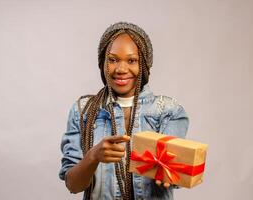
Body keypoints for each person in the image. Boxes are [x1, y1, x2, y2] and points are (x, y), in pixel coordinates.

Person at [59, 22, 189, 200]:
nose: (121, 69)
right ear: (102, 63)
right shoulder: (83, 111)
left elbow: (175, 174)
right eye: (112, 60)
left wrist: (170, 175)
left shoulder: (168, 111)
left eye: (131, 60)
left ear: (144, 64)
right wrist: (93, 157)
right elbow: (73, 185)